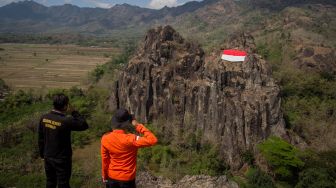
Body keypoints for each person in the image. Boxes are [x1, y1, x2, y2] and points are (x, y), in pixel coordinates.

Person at [38, 93, 89, 188]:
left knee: (50, 182)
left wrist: (42, 154)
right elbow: (84, 125)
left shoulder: (44, 118)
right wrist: (74, 112)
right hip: (62, 159)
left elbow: (41, 138)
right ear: (66, 106)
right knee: (63, 184)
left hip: (48, 156)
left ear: (53, 104)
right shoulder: (66, 121)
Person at [101, 108, 158, 188]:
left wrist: (104, 175)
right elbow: (153, 140)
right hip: (127, 180)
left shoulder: (105, 138)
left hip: (111, 179)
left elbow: (105, 160)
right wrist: (137, 125)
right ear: (128, 123)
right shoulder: (132, 139)